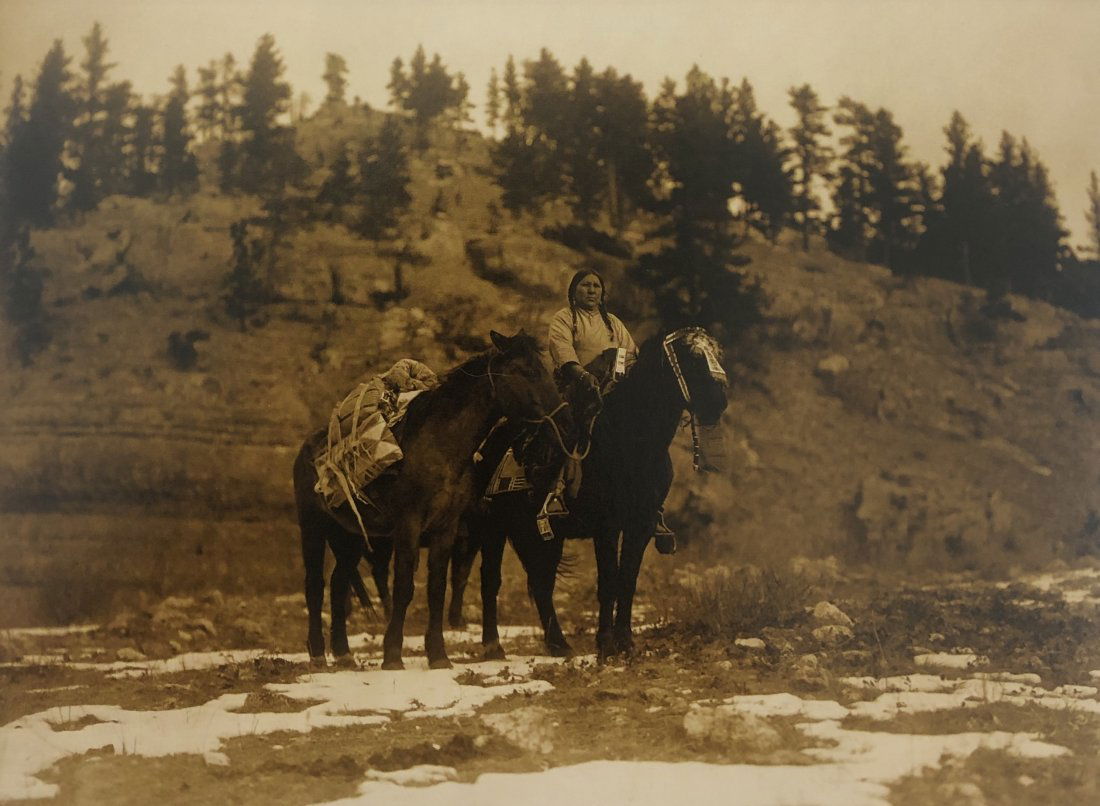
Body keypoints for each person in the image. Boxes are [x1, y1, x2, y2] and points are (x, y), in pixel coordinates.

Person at [546, 269, 677, 554]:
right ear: (574, 291)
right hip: (574, 388)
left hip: (608, 389)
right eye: (585, 286)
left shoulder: (613, 323)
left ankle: (651, 506)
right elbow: (562, 350)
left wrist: (618, 376)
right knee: (567, 429)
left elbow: (629, 354)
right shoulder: (565, 318)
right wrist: (582, 374)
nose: (591, 291)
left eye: (596, 286)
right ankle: (554, 493)